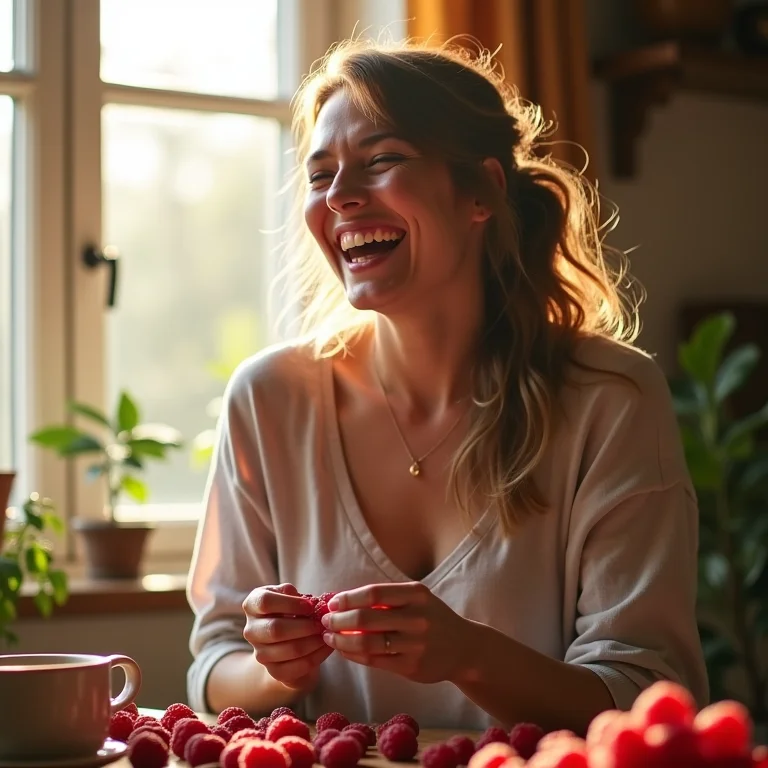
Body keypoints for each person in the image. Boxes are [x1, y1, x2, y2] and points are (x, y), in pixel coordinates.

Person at [186, 37, 708, 734]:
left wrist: (469, 655)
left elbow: (648, 695)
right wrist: (272, 668)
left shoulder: (612, 400)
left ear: (481, 193)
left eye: (382, 161)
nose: (339, 197)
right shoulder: (269, 398)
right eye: (319, 175)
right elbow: (213, 666)